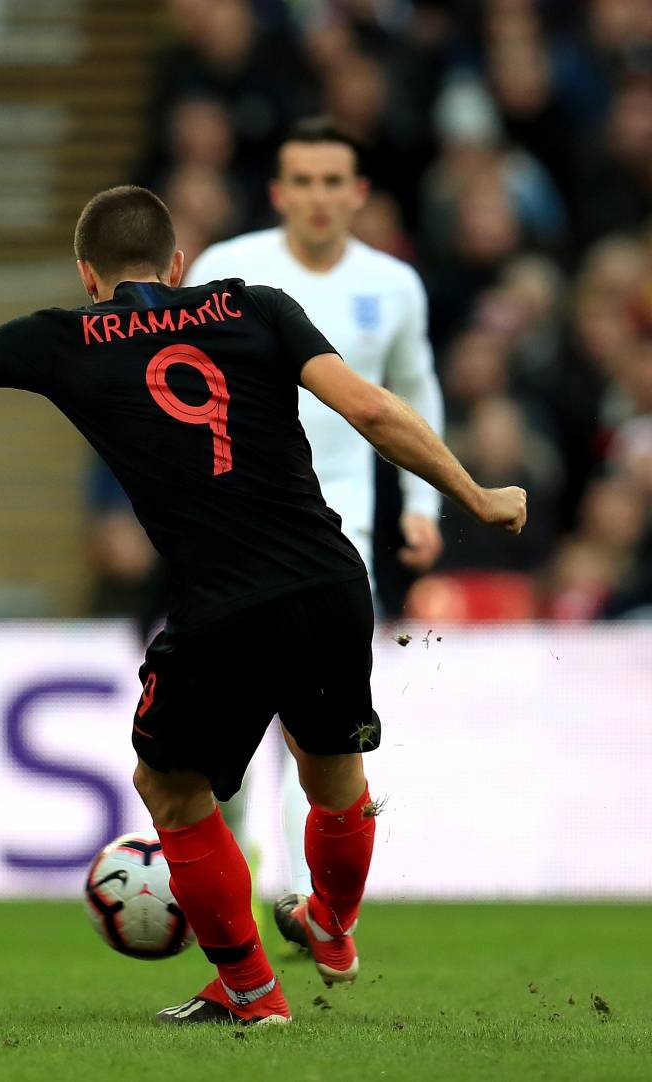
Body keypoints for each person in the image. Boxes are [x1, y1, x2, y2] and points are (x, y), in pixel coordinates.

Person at [0, 186, 525, 1025]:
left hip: (226, 606)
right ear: (178, 264)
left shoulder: (65, 339)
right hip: (331, 583)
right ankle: (333, 924)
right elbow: (370, 408)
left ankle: (254, 994)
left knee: (169, 788)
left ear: (88, 275)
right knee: (336, 779)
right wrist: (474, 493)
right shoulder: (257, 306)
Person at [185, 117, 446, 911]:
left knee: (319, 736)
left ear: (359, 193)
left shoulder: (395, 286)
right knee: (211, 744)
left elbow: (413, 390)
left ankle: (302, 900)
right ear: (278, 192)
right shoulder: (226, 269)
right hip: (231, 534)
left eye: (335, 181)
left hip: (342, 536)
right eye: (303, 181)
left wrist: (423, 501)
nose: (319, 197)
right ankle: (216, 884)